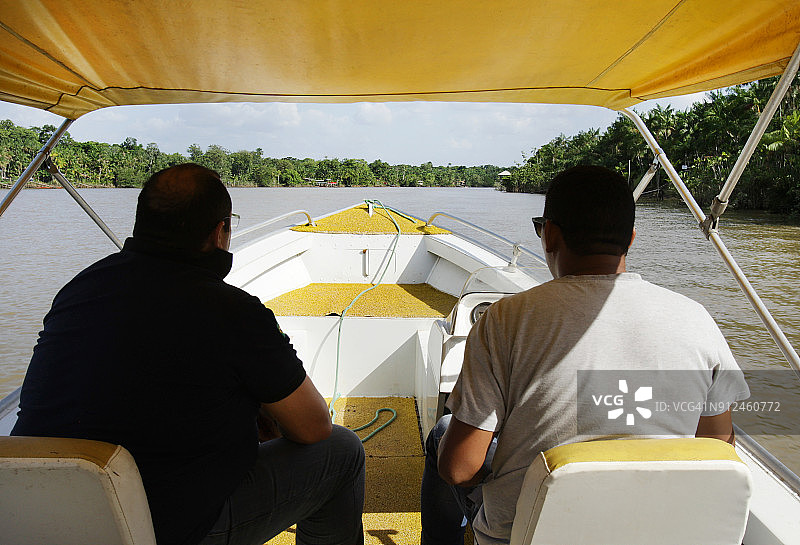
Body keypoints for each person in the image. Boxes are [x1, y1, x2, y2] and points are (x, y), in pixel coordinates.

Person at [12, 163, 365, 545]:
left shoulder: (79, 287)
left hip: (36, 515)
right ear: (220, 232)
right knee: (341, 451)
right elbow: (313, 428)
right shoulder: (233, 311)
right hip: (160, 529)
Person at [420, 165, 749, 545]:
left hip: (524, 535)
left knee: (444, 435)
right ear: (631, 238)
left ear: (551, 235)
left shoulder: (505, 320)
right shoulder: (696, 319)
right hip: (654, 532)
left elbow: (460, 469)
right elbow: (717, 451)